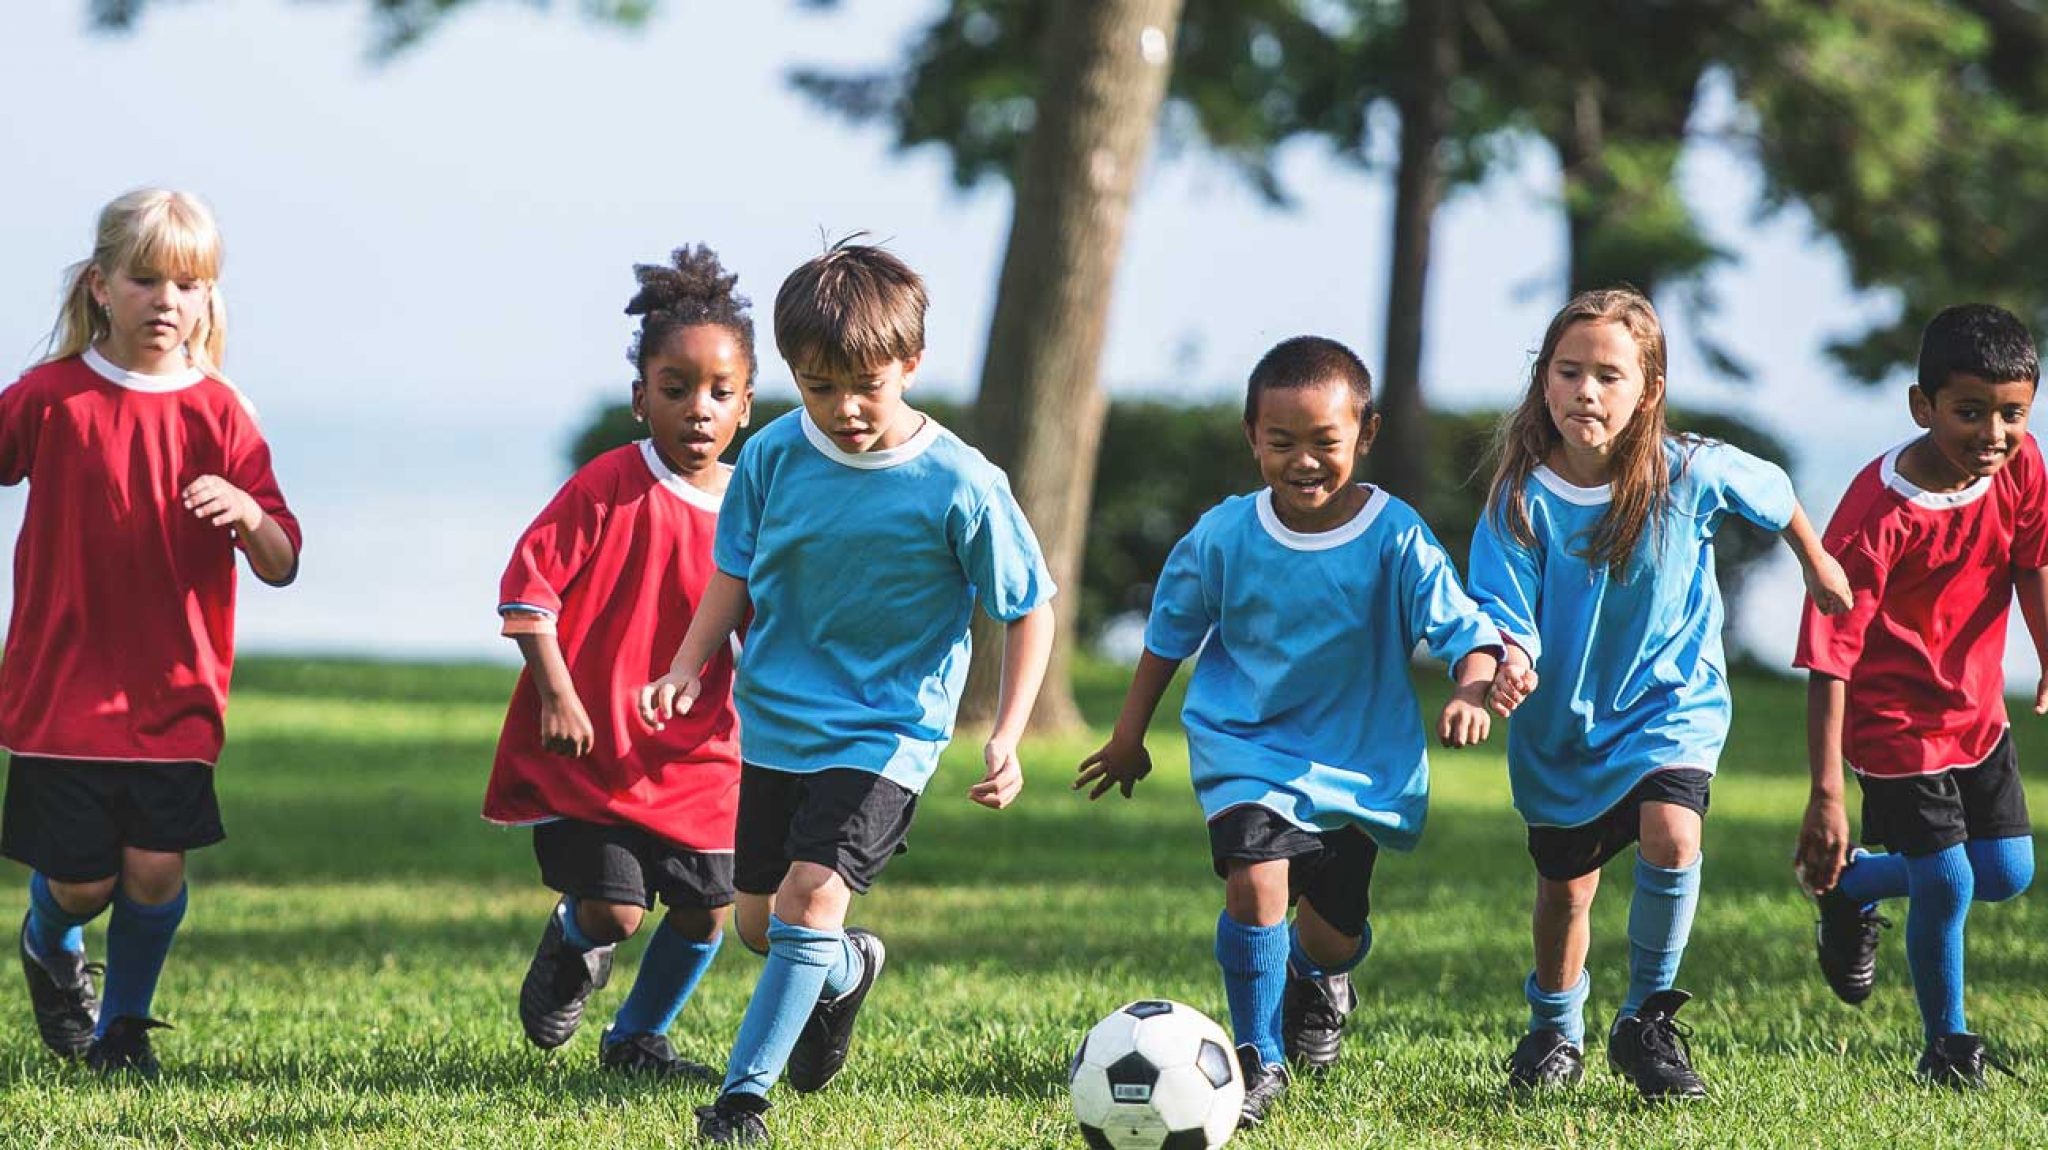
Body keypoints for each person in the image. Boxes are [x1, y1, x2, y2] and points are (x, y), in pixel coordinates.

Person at [636, 240, 1056, 1146]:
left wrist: (1008, 735)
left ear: (911, 362)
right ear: (792, 375)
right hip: (779, 723)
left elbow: (1028, 610)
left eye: (866, 383)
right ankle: (843, 972)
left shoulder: (962, 482)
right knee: (760, 922)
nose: (846, 409)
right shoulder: (775, 458)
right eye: (820, 387)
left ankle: (742, 1101)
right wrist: (683, 666)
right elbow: (733, 575)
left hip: (887, 732)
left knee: (811, 898)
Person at [1074, 336, 1502, 1128]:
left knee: (1334, 933)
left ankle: (1319, 977)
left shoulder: (1394, 534)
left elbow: (1463, 629)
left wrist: (1474, 685)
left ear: (1364, 435)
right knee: (1255, 881)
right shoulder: (1224, 537)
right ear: (1251, 437)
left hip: (1358, 764)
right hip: (1247, 745)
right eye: (1281, 442)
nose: (1302, 461)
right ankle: (1256, 1056)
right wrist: (1129, 734)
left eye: (1324, 442)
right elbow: (1169, 634)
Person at [1470, 287, 1851, 1101]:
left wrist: (1817, 563)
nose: (1587, 391)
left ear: (1649, 388)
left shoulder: (1691, 469)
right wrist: (1512, 660)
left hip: (1670, 705)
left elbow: (1776, 492)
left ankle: (1646, 1020)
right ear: (1544, 381)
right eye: (1569, 372)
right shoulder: (1519, 499)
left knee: (1673, 836)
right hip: (1562, 726)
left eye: (1609, 375)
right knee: (1565, 895)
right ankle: (1555, 1028)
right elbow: (1506, 609)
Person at [2, 189, 301, 1076]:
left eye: (188, 283)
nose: (166, 301)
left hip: (178, 692)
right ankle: (49, 941)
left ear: (208, 297)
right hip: (62, 691)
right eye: (144, 280)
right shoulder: (49, 399)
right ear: (100, 287)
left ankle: (122, 1030)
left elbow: (283, 560)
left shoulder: (222, 413)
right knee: (86, 883)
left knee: (157, 873)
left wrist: (248, 513)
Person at [485, 245, 756, 1078]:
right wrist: (558, 696)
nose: (698, 410)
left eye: (719, 393)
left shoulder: (757, 505)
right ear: (642, 399)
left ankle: (637, 1038)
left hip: (706, 755)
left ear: (746, 406)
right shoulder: (607, 485)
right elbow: (529, 594)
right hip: (597, 755)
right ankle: (574, 940)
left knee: (708, 914)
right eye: (675, 390)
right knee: (615, 913)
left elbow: (771, 622)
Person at [1794, 303, 2045, 1089]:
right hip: (1892, 726)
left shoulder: (2022, 467)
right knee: (1950, 882)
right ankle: (1949, 1046)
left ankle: (1850, 887)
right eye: (1971, 413)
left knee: (2005, 873)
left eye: (2012, 413)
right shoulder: (1875, 517)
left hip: (1976, 715)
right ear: (1922, 406)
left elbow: (2033, 561)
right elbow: (1828, 659)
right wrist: (1827, 793)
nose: (1994, 435)